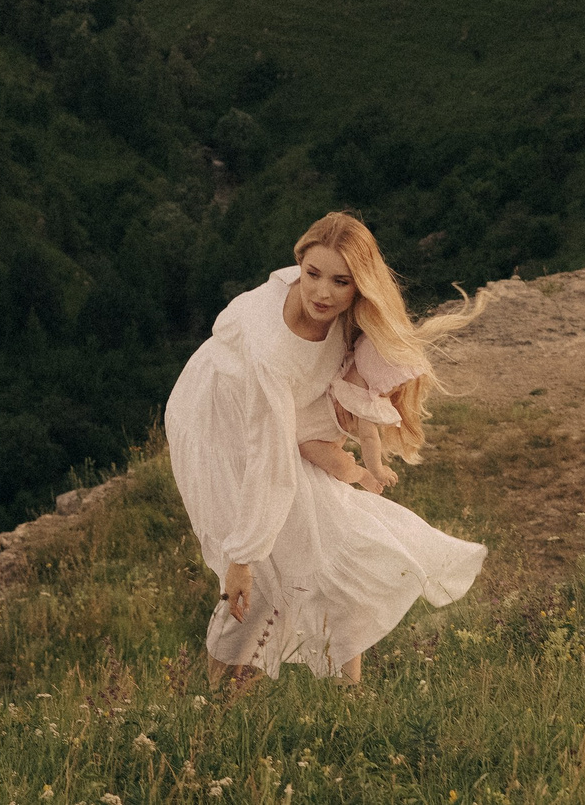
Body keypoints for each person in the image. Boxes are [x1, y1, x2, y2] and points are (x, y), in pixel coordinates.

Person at [164, 211, 486, 685]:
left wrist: (345, 451)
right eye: (312, 275)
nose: (321, 293)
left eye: (340, 281)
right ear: (299, 264)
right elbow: (267, 456)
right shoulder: (268, 345)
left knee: (339, 538)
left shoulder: (348, 319)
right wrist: (242, 558)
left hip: (284, 419)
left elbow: (331, 390)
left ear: (360, 286)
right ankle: (219, 713)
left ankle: (347, 702)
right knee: (264, 577)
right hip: (218, 420)